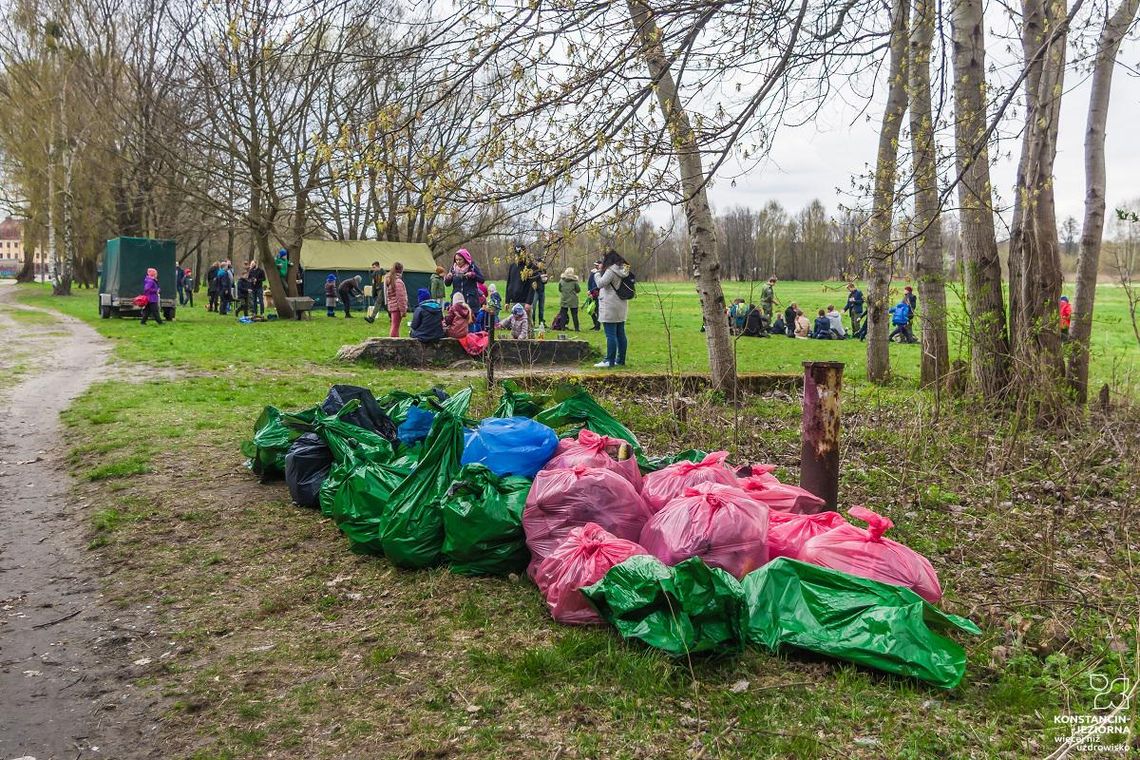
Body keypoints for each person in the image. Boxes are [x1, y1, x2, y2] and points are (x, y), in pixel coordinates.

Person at [594, 249, 631, 368]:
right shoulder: (624, 269)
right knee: (621, 334)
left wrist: (596, 273)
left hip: (610, 305)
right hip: (621, 304)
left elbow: (600, 284)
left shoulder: (611, 270)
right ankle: (620, 360)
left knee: (610, 335)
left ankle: (609, 360)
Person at [384, 262, 408, 336]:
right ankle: (394, 343)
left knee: (394, 326)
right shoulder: (398, 282)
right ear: (401, 270)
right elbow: (400, 298)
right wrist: (403, 310)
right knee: (395, 327)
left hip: (392, 306)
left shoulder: (391, 280)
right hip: (397, 307)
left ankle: (395, 341)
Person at [557, 267, 581, 331]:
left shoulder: (561, 281)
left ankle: (562, 327)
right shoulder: (574, 281)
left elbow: (560, 289)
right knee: (574, 315)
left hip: (564, 299)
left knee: (563, 315)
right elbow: (578, 290)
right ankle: (577, 328)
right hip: (573, 300)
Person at [586, 259, 602, 330]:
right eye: (595, 265)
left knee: (598, 310)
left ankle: (597, 326)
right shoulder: (593, 273)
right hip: (592, 293)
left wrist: (592, 292)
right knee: (590, 310)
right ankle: (595, 324)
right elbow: (590, 283)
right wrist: (589, 291)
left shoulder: (601, 274)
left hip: (597, 294)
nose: (596, 266)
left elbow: (598, 285)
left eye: (597, 265)